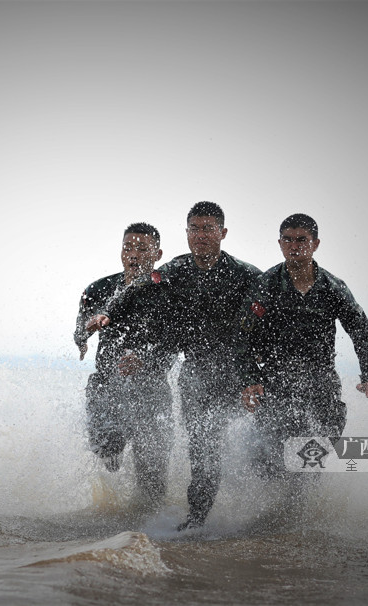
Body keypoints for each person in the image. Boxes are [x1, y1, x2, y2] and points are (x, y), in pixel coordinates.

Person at [110, 202, 261, 530]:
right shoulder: (172, 272)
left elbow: (271, 322)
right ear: (187, 233)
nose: (201, 235)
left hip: (240, 375)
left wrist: (259, 375)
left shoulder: (247, 275)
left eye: (208, 229)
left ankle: (266, 511)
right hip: (196, 375)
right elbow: (135, 293)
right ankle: (197, 520)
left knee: (255, 447)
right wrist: (108, 315)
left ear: (222, 233)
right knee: (203, 446)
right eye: (194, 228)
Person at [240, 213, 368, 479]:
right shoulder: (266, 285)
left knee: (314, 456)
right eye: (288, 240)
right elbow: (243, 337)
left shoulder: (332, 287)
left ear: (315, 244)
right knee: (272, 458)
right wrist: (250, 378)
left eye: (302, 240)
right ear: (280, 243)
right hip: (277, 380)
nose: (294, 246)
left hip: (320, 380)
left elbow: (362, 331)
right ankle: (272, 508)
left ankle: (306, 510)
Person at [74, 222, 175, 508]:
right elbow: (80, 330)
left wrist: (146, 359)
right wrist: (83, 335)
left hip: (151, 390)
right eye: (128, 248)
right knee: (108, 456)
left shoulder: (167, 293)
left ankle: (151, 531)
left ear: (158, 253)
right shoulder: (98, 289)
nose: (134, 254)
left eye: (142, 249)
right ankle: (110, 526)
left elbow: (175, 342)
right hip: (106, 387)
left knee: (152, 478)